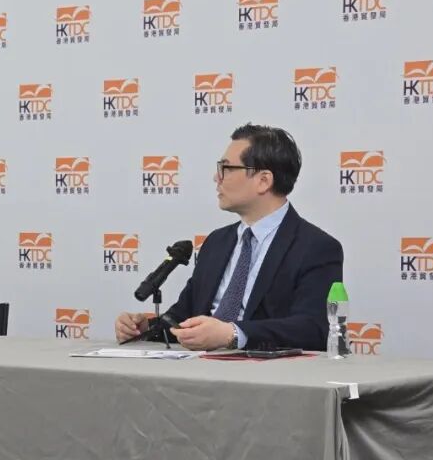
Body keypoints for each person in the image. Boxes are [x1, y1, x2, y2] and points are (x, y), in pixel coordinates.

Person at [115, 123, 343, 351]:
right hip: (200, 368)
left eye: (226, 168)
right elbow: (183, 318)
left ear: (263, 180)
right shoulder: (216, 243)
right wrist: (146, 328)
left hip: (264, 370)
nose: (217, 177)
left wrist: (233, 334)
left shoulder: (315, 247)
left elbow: (313, 328)